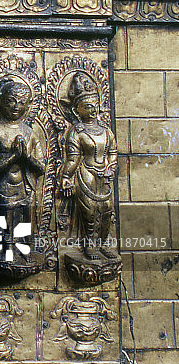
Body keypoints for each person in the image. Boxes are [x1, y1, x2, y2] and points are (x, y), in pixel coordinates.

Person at [0, 79, 45, 254]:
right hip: (4, 187)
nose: (16, 106)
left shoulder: (29, 132)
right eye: (11, 100)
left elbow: (41, 167)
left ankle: (25, 250)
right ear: (0, 101)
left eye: (22, 102)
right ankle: (5, 249)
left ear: (28, 105)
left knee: (25, 219)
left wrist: (26, 157)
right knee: (5, 221)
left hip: (25, 186)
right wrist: (12, 158)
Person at [60, 72, 117, 260]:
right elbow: (72, 159)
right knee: (90, 210)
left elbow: (112, 152)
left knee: (107, 208)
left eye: (95, 106)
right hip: (86, 174)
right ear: (77, 110)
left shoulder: (106, 130)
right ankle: (89, 244)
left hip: (104, 173)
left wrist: (111, 167)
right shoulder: (77, 132)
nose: (93, 110)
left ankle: (104, 242)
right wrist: (66, 177)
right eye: (88, 106)